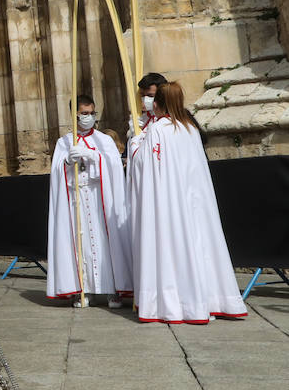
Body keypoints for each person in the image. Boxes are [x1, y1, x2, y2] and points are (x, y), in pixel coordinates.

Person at [128, 82, 246, 324]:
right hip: (194, 201)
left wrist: (134, 143)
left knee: (175, 249)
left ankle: (180, 304)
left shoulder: (160, 129)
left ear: (158, 103)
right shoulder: (189, 127)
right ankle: (211, 300)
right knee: (201, 247)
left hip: (171, 203)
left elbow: (145, 166)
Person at [46, 95, 131, 308]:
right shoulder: (64, 142)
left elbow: (113, 166)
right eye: (84, 113)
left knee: (105, 242)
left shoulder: (104, 140)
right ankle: (84, 289)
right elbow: (56, 173)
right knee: (79, 243)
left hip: (99, 197)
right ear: (74, 114)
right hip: (76, 197)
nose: (89, 117)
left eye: (92, 113)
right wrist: (67, 161)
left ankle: (112, 290)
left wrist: (94, 156)